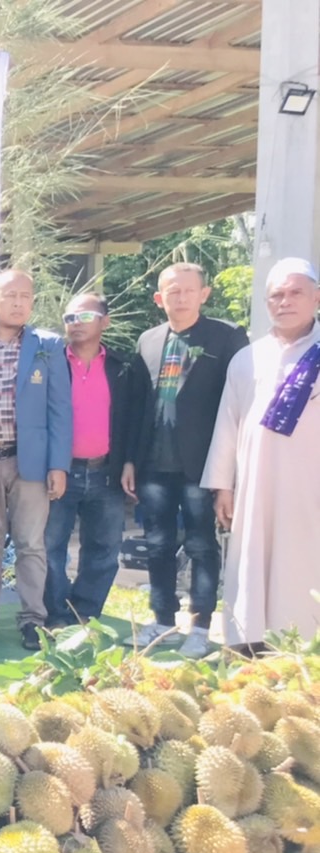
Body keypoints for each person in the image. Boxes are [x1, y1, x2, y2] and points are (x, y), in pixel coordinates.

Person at [202, 257, 320, 648]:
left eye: (295, 293)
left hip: (311, 488)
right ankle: (249, 639)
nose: (285, 302)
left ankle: (305, 642)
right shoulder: (247, 358)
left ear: (316, 298)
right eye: (276, 295)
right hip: (254, 488)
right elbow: (228, 423)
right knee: (252, 557)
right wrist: (222, 485)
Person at [133, 263, 249, 656]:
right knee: (157, 545)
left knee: (201, 545)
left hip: (202, 463)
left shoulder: (227, 336)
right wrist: (131, 461)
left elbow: (238, 403)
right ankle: (163, 621)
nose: (180, 298)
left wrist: (230, 470)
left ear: (204, 294)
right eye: (172, 291)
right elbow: (138, 405)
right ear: (158, 298)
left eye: (187, 290)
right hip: (154, 463)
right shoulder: (148, 340)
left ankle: (200, 627)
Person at [0, 269, 72, 652]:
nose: (19, 303)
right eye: (11, 296)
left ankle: (33, 620)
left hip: (31, 463)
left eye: (26, 296)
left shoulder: (48, 345)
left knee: (31, 544)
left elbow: (60, 409)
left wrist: (58, 465)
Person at [44, 293, 151, 626]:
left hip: (106, 471)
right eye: (70, 318)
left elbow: (137, 418)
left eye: (86, 316)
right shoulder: (51, 363)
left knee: (104, 549)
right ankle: (56, 613)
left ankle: (85, 613)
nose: (76, 323)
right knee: (50, 547)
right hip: (60, 472)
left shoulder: (125, 367)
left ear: (105, 321)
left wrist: (130, 461)